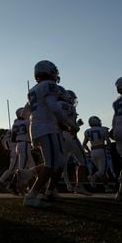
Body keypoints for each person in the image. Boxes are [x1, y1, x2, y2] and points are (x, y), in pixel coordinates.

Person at [21, 60, 78, 207]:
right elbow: (54, 108)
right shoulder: (50, 85)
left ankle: (46, 188)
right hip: (47, 128)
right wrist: (71, 124)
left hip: (39, 127)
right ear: (49, 71)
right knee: (52, 164)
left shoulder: (33, 89)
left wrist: (38, 120)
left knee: (59, 162)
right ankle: (31, 196)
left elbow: (24, 113)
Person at [58, 89, 91, 195]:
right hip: (71, 137)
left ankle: (63, 185)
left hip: (59, 136)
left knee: (60, 163)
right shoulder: (70, 107)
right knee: (83, 162)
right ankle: (79, 186)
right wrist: (76, 126)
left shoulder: (56, 104)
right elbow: (71, 126)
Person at [82, 116, 114, 193]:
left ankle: (106, 187)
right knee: (102, 171)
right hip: (102, 151)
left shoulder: (87, 131)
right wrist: (108, 148)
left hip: (93, 152)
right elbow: (108, 142)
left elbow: (84, 144)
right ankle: (92, 177)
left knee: (102, 171)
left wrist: (89, 151)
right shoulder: (103, 129)